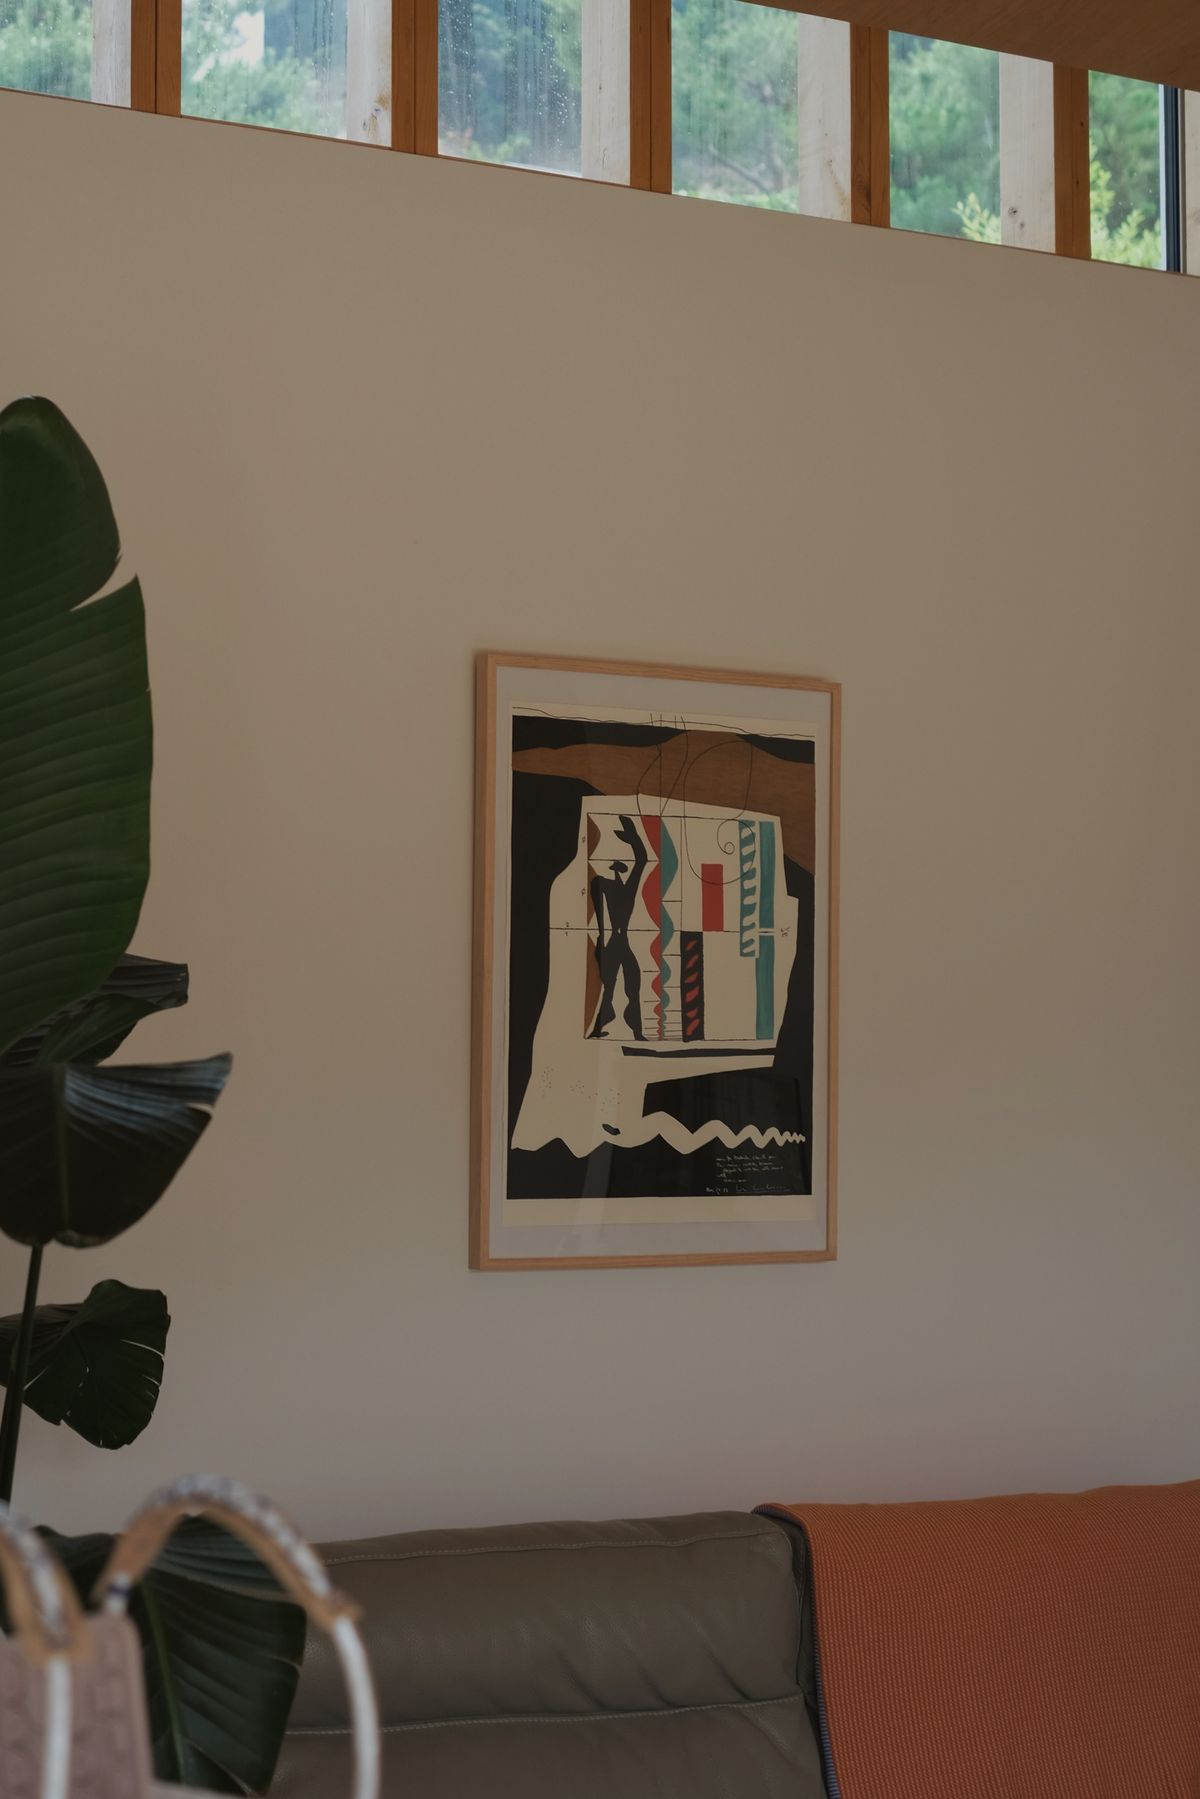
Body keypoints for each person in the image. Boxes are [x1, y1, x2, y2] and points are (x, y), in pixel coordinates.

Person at [588, 814, 648, 1040]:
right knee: (612, 985)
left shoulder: (625, 889)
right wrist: (602, 934)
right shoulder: (608, 886)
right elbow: (596, 885)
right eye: (616, 868)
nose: (618, 871)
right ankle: (606, 1025)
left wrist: (633, 837)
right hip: (615, 941)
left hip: (620, 941)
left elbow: (642, 860)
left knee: (631, 981)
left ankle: (635, 1029)